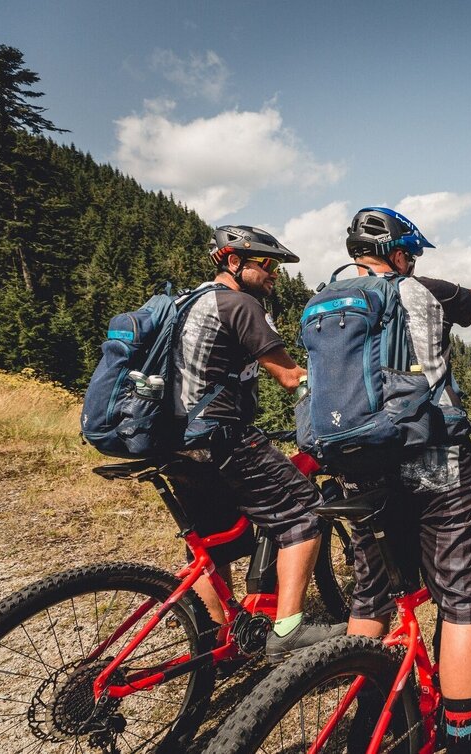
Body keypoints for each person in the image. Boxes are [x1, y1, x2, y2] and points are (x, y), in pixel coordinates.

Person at [340, 207, 471, 754]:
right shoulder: (418, 290)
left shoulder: (323, 300)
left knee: (372, 596)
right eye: (409, 254)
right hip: (432, 461)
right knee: (463, 598)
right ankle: (463, 740)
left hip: (354, 469)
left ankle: (368, 717)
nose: (412, 263)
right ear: (396, 252)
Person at [170, 225, 343, 663]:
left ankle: (219, 646)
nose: (274, 274)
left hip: (177, 442)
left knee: (214, 544)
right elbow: (291, 377)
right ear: (233, 262)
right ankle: (288, 629)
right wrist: (350, 392)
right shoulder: (239, 305)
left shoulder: (187, 303)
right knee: (305, 513)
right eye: (265, 264)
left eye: (276, 266)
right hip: (223, 439)